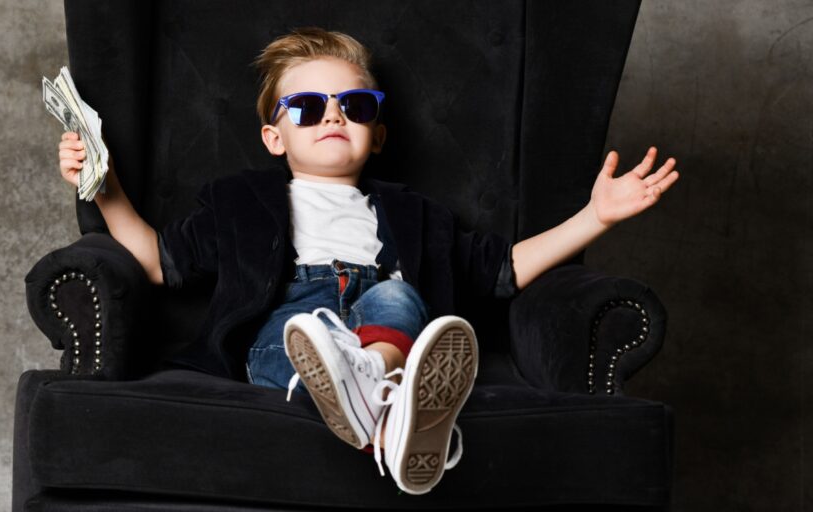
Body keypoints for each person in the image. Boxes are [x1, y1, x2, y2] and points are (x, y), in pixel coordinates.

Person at [55, 27, 680, 495]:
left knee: (401, 298)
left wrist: (595, 216)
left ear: (375, 133)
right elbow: (159, 263)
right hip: (290, 325)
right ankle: (387, 414)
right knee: (296, 337)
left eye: (354, 106)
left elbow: (505, 270)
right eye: (306, 107)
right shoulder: (237, 202)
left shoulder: (418, 216)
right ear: (276, 136)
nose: (332, 114)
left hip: (382, 318)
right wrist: (103, 187)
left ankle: (370, 389)